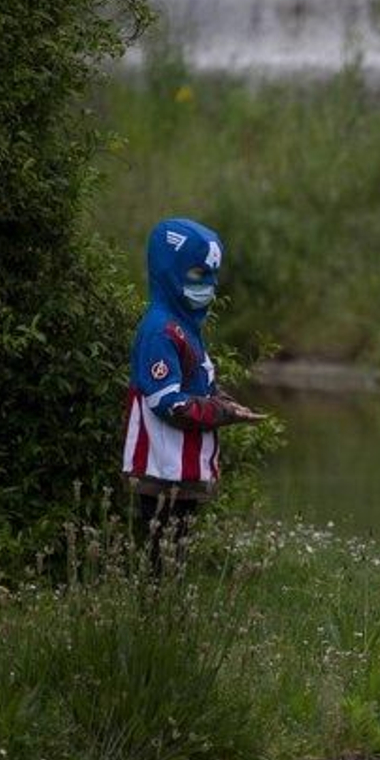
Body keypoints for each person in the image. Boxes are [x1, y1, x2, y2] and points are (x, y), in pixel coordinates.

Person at [121, 217, 264, 570]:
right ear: (172, 273)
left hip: (182, 472)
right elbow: (168, 402)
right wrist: (222, 413)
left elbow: (202, 384)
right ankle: (156, 619)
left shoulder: (187, 328)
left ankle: (169, 617)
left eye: (212, 278)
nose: (209, 287)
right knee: (161, 558)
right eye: (199, 277)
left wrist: (226, 402)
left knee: (176, 557)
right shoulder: (160, 330)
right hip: (161, 468)